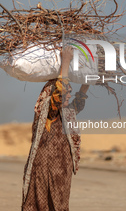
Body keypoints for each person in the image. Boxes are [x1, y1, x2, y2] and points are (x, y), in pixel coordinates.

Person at [21, 46, 89, 211]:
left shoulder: (66, 114)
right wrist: (65, 62)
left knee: (59, 204)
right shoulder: (48, 112)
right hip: (45, 168)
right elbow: (59, 94)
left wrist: (89, 80)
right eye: (66, 93)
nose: (68, 95)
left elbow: (78, 102)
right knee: (42, 204)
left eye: (69, 93)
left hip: (61, 170)